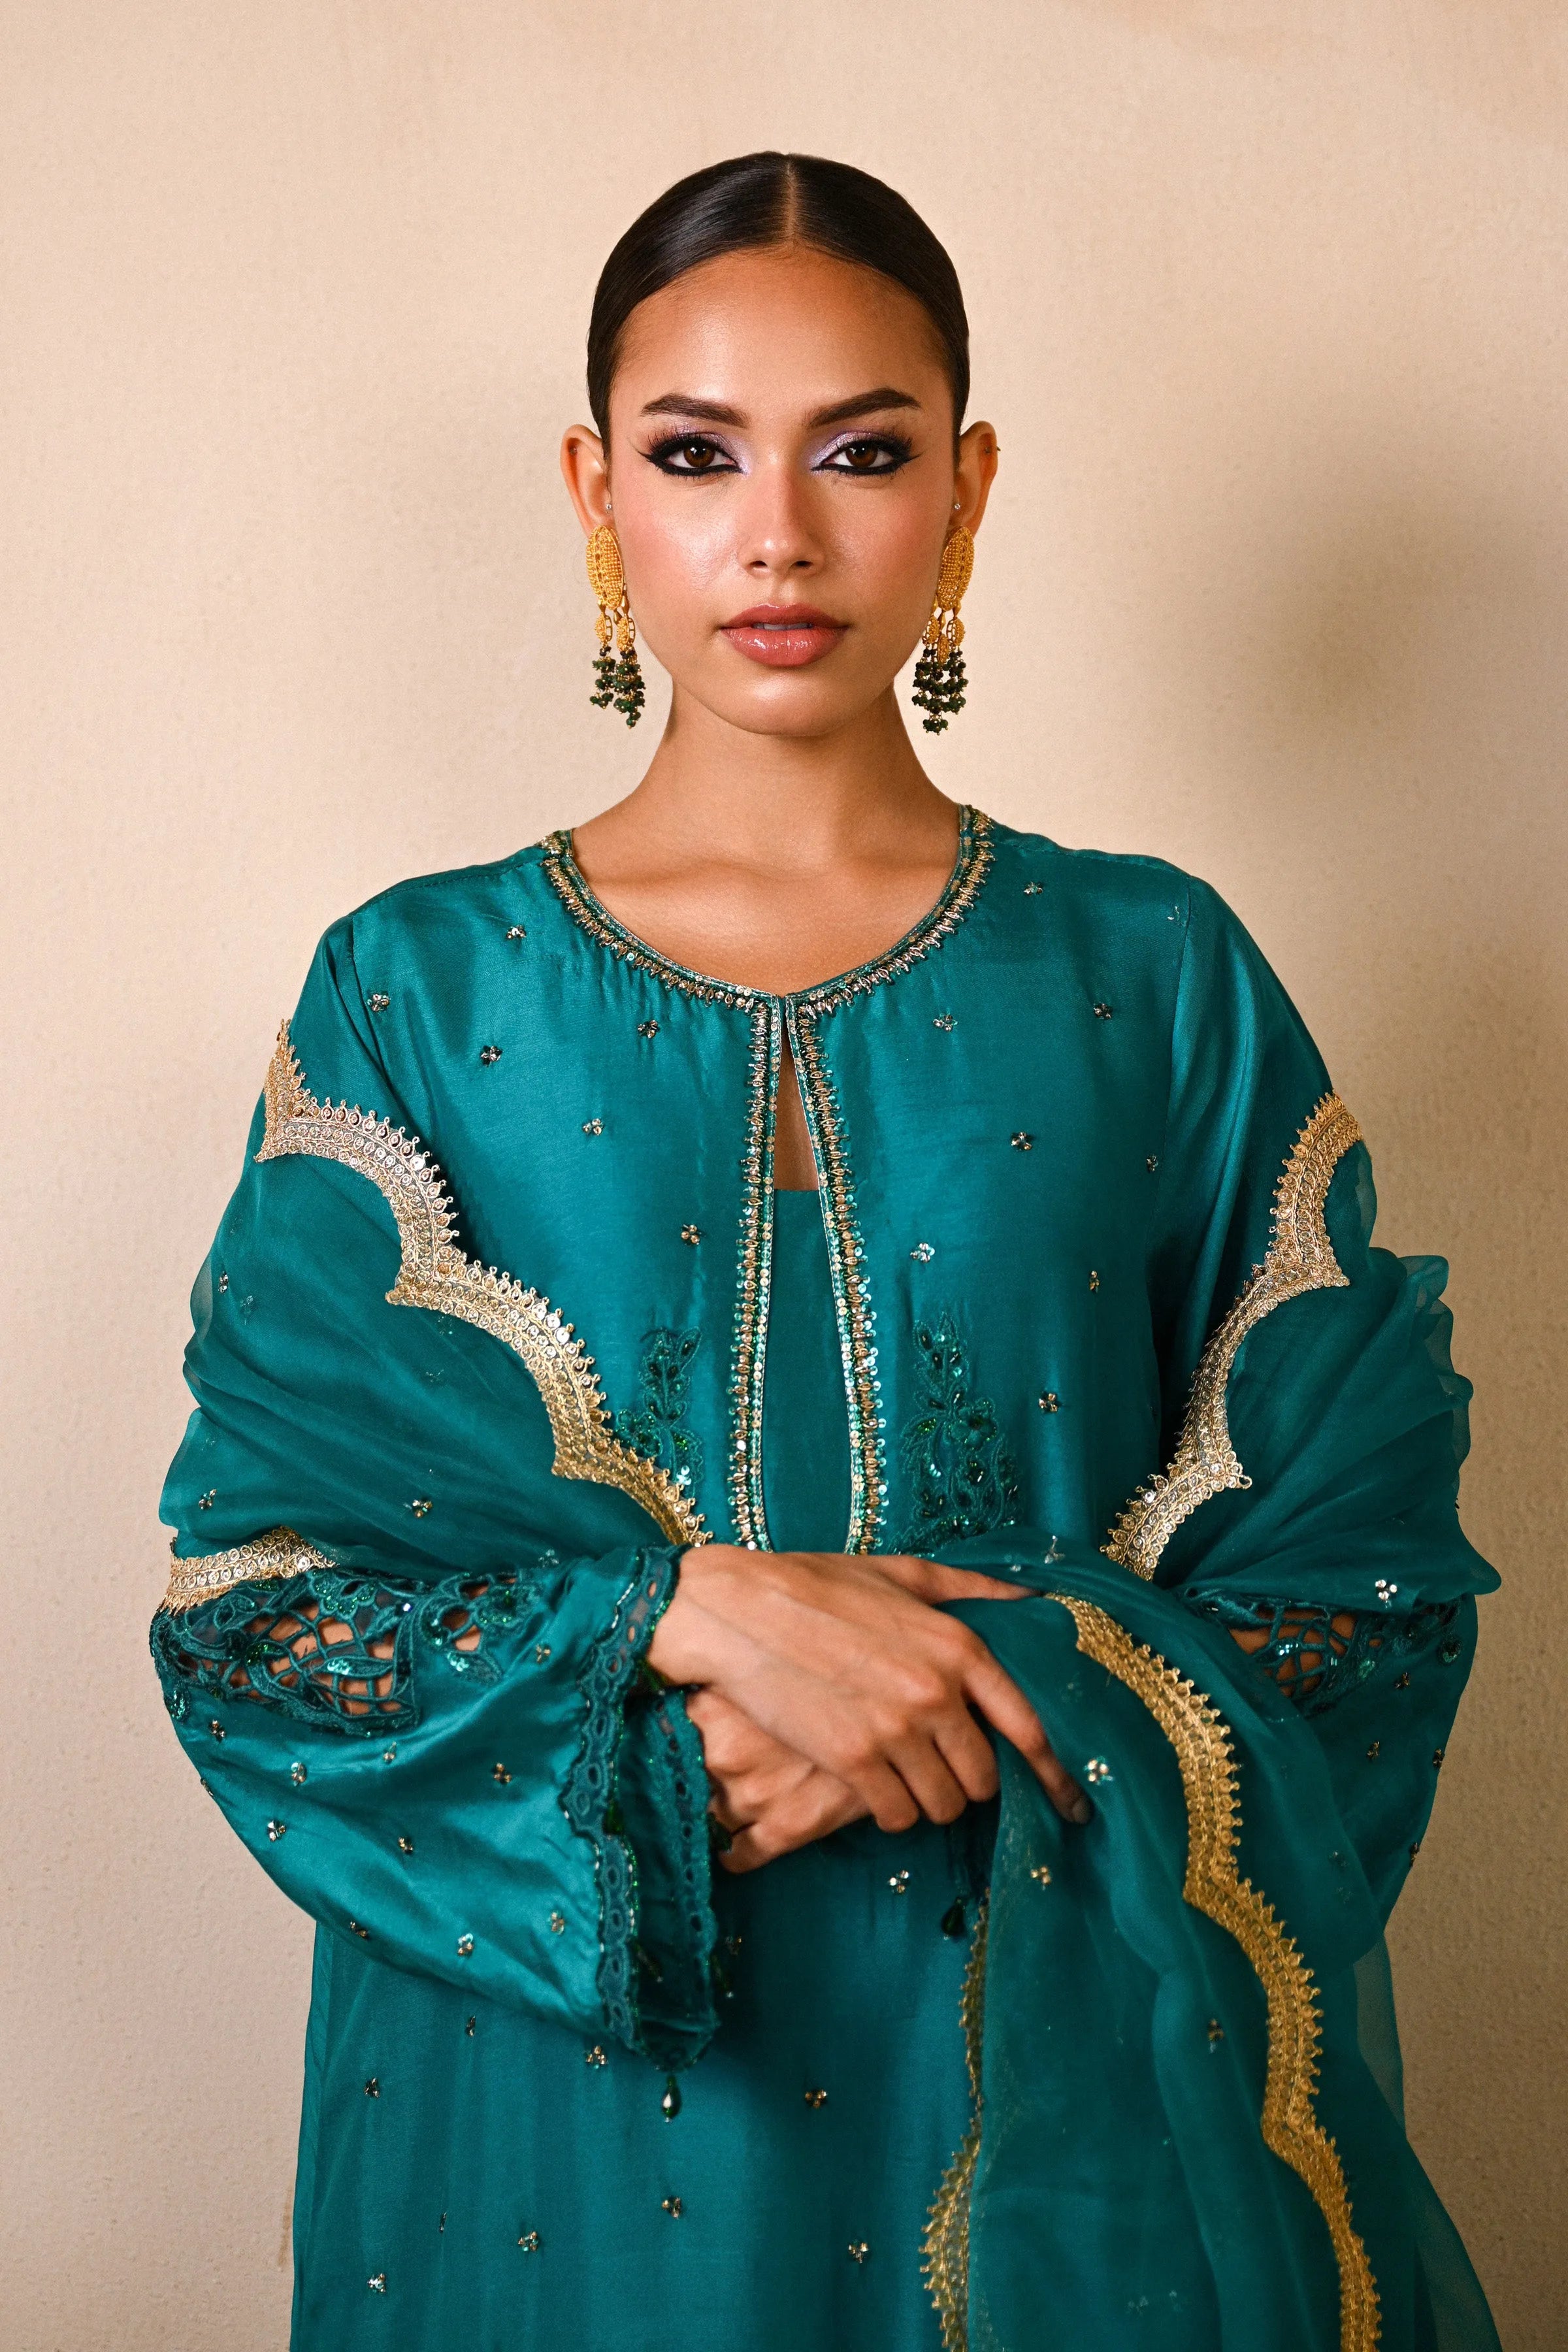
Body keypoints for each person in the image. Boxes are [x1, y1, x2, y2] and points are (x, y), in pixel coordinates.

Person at [152, 152, 1501, 2352]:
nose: (776, 535)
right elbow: (262, 1617)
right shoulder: (414, 996)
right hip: (564, 2101)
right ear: (595, 491)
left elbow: (1365, 1588)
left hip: (1047, 2072)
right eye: (697, 456)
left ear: (968, 492)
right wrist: (693, 1620)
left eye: (861, 454)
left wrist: (973, 1688)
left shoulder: (1154, 975)